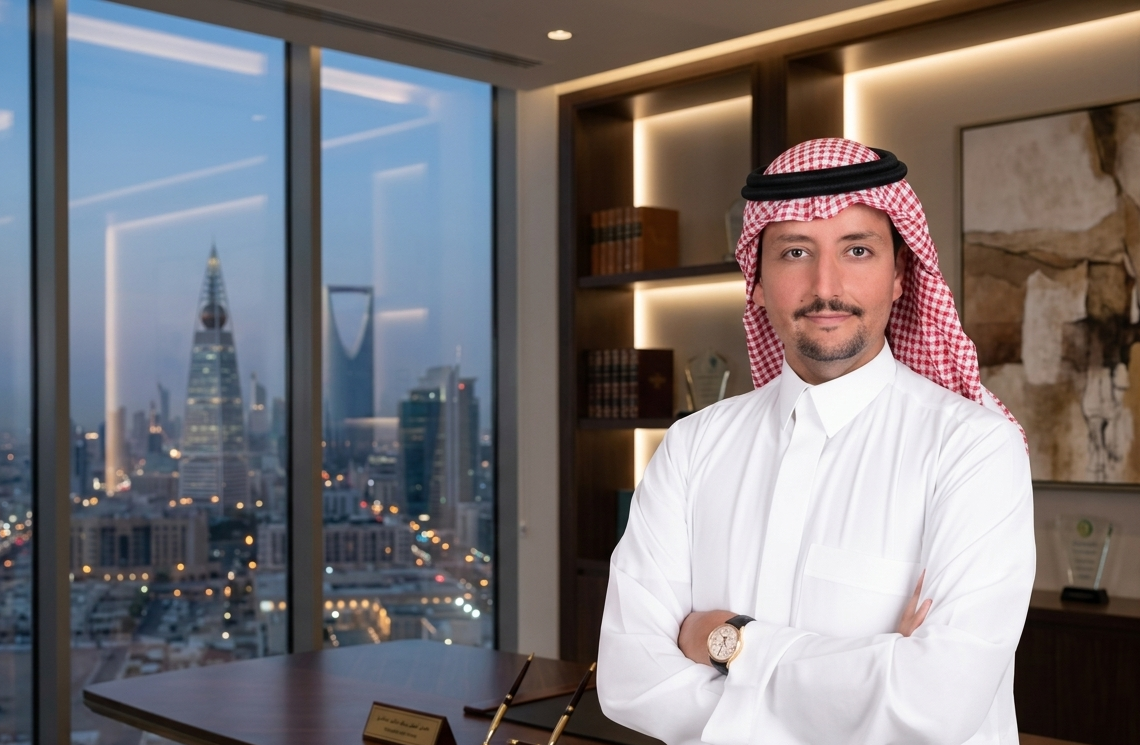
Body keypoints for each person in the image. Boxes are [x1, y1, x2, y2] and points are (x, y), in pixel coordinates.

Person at [596, 138, 1035, 745]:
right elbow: (631, 682)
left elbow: (937, 703)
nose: (826, 285)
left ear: (900, 275)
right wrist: (871, 673)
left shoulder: (974, 449)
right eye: (795, 251)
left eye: (857, 250)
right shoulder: (691, 448)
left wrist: (730, 640)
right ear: (756, 281)